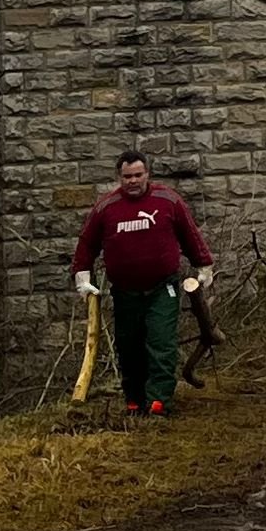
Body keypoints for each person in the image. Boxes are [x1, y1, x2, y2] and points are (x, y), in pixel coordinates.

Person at [70, 150, 211, 417]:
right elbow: (87, 244)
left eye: (138, 175)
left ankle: (159, 400)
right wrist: (82, 277)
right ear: (119, 177)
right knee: (129, 345)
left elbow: (190, 234)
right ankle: (134, 399)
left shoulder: (168, 200)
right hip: (125, 292)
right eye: (127, 177)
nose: (133, 181)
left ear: (147, 174)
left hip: (162, 287)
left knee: (161, 342)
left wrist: (203, 265)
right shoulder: (106, 208)